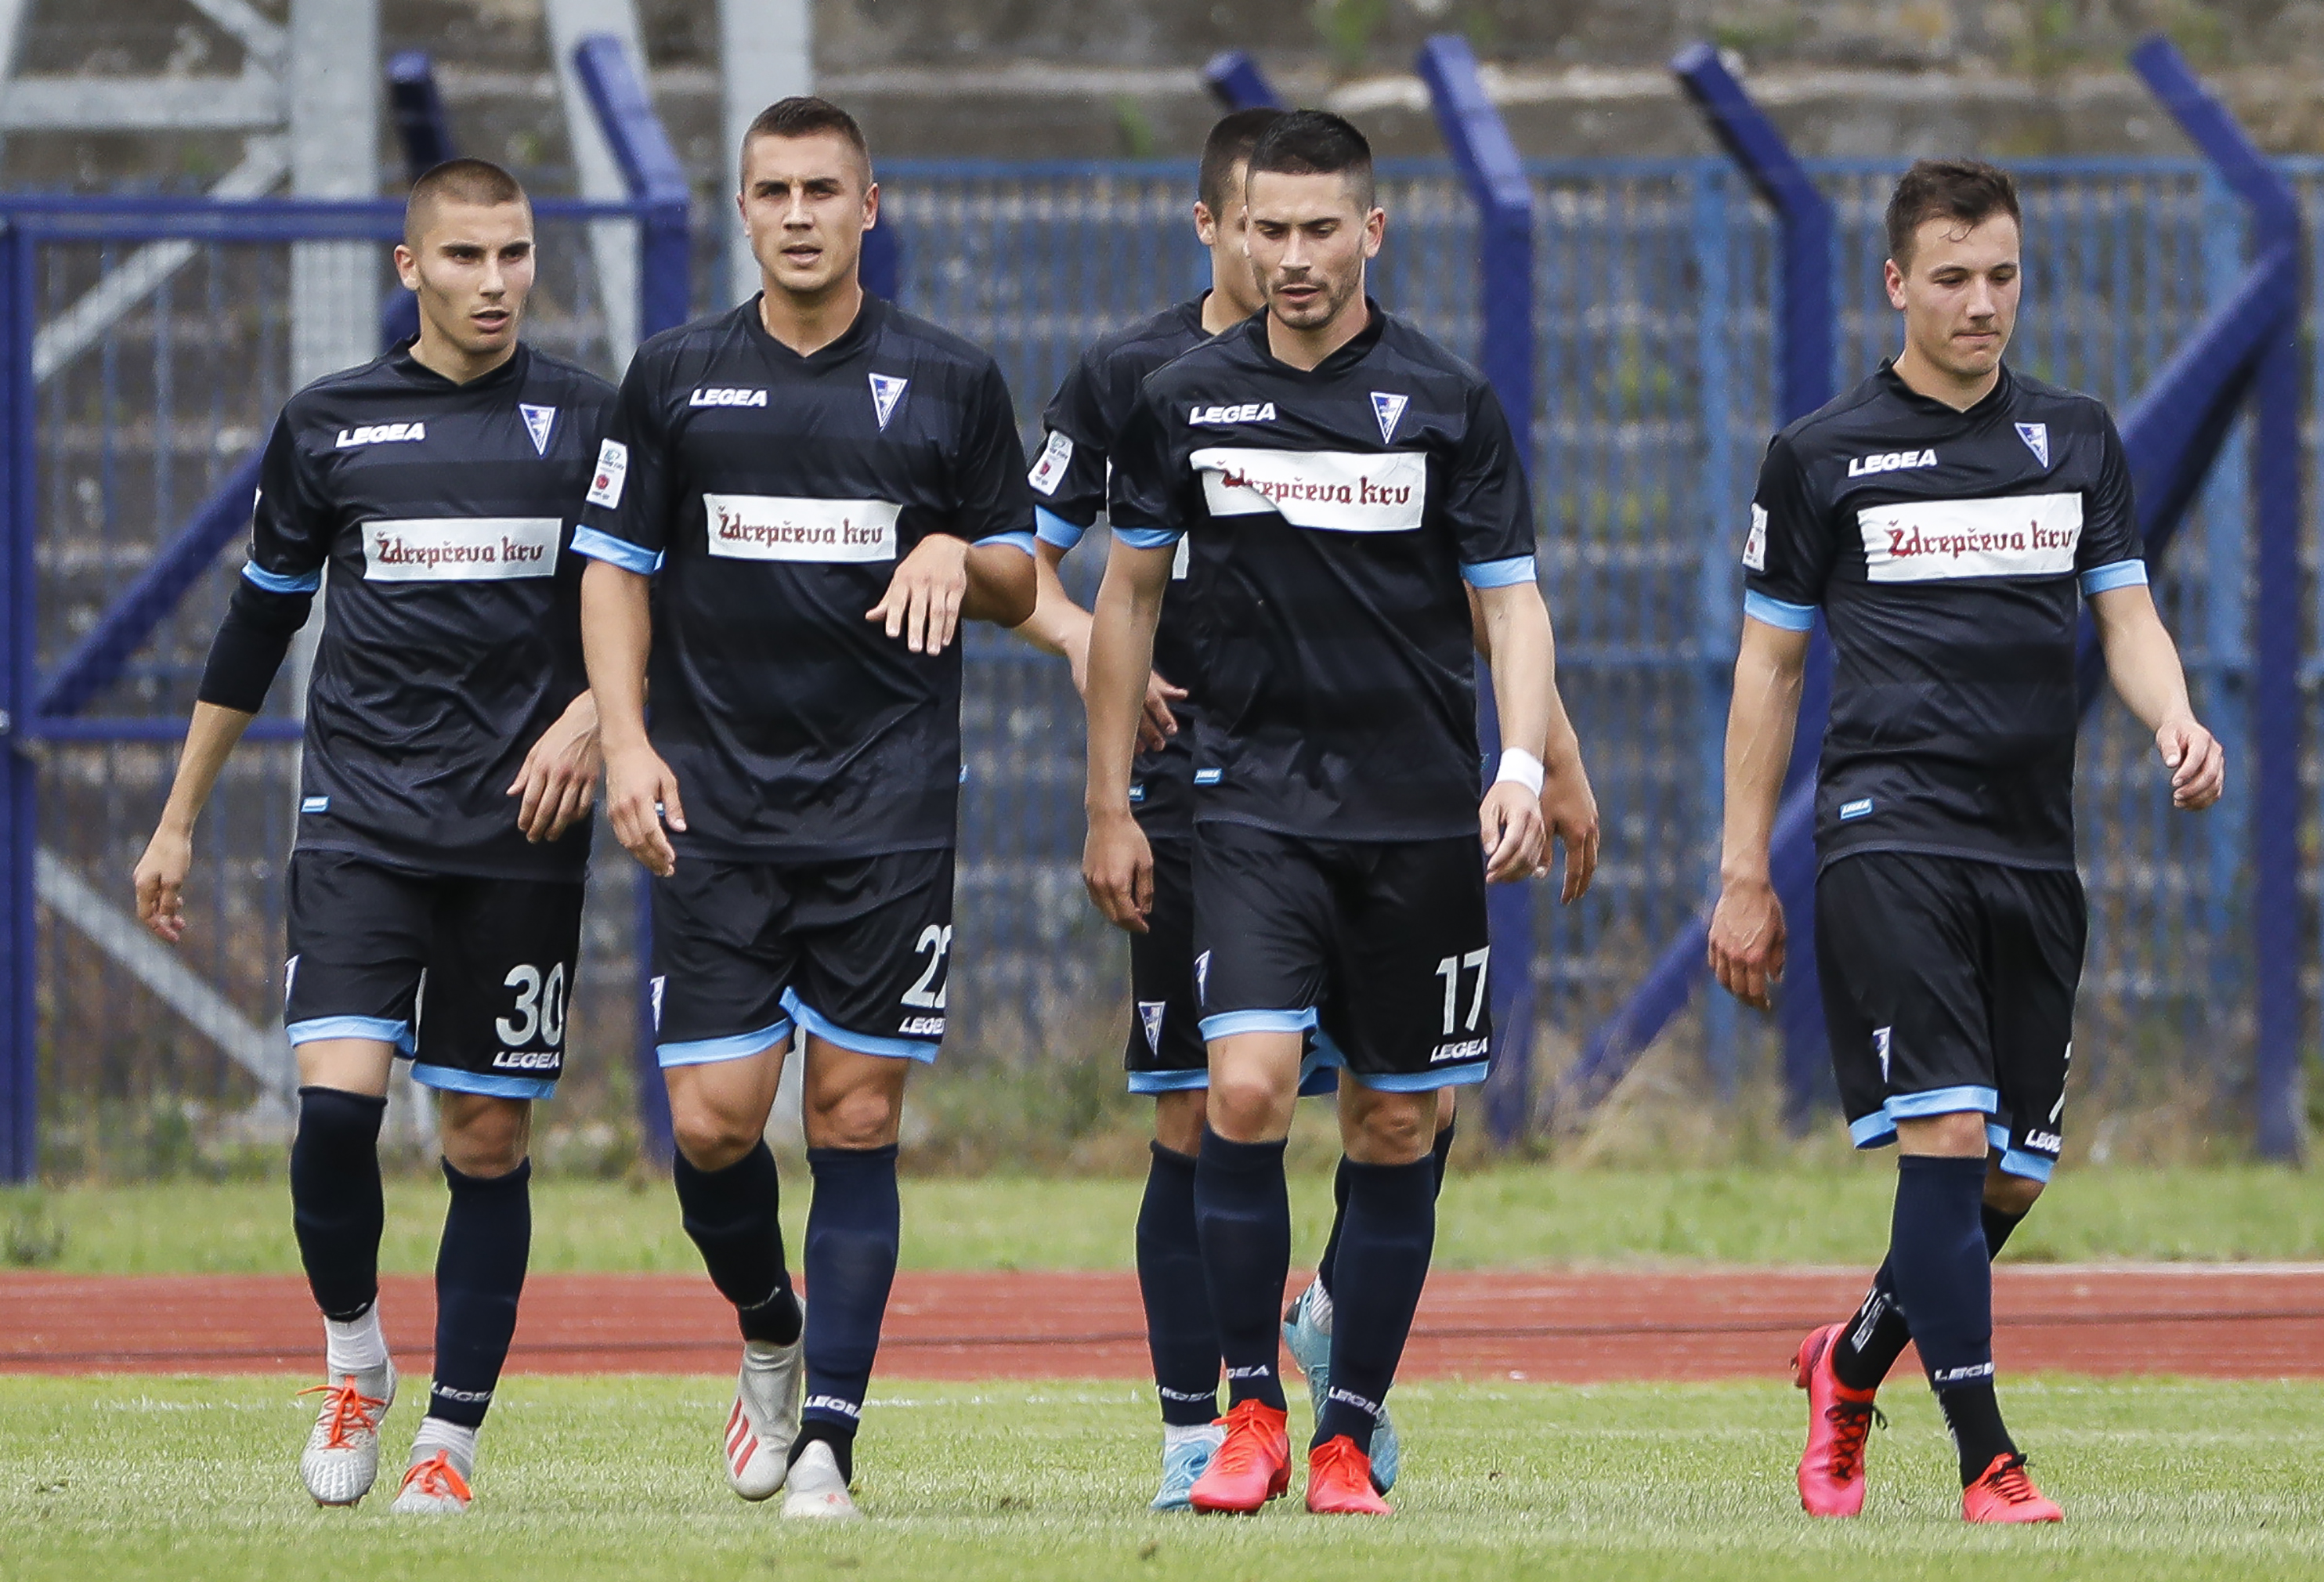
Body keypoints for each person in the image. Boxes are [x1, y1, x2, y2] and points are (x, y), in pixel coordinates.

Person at [1019, 107, 1599, 1512]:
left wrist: (1523, 767)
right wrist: (1110, 803)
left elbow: (1509, 606)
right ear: (1232, 229)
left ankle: (1349, 1430)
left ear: (1370, 234)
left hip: (1416, 822)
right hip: (1246, 810)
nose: (1292, 255)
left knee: (1401, 1125)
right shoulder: (1178, 399)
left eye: (1319, 229)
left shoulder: (1448, 404)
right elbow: (1127, 603)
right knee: (1245, 1087)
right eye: (1268, 229)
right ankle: (1248, 1416)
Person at [1706, 158, 2225, 1526]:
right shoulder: (1821, 456)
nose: (1982, 302)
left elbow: (2126, 616)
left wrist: (2175, 717)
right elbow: (1766, 675)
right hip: (1887, 832)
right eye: (1952, 277)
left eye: (2001, 274)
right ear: (1898, 284)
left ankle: (1849, 1359)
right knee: (1941, 1131)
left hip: (2031, 849)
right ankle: (1988, 1459)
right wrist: (1743, 869)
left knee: (2008, 1173)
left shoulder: (2075, 439)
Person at [573, 95, 1036, 1522]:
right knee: (714, 1125)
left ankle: (829, 1437)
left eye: (821, 190)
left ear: (868, 206)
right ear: (743, 207)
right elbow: (612, 570)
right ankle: (770, 1333)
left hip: (888, 812)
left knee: (850, 1112)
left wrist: (963, 549)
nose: (796, 214)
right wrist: (628, 747)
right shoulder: (671, 377)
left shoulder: (951, 382)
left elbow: (1025, 576)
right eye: (771, 190)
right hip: (713, 808)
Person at [131, 158, 613, 1514]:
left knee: (483, 1142)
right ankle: (354, 1359)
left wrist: (589, 719)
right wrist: (176, 821)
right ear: (411, 269)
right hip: (361, 824)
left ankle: (449, 1449)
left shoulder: (588, 421)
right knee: (333, 1111)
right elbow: (258, 620)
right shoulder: (332, 424)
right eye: (465, 258)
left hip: (521, 832)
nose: (496, 282)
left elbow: (650, 605)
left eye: (515, 256)